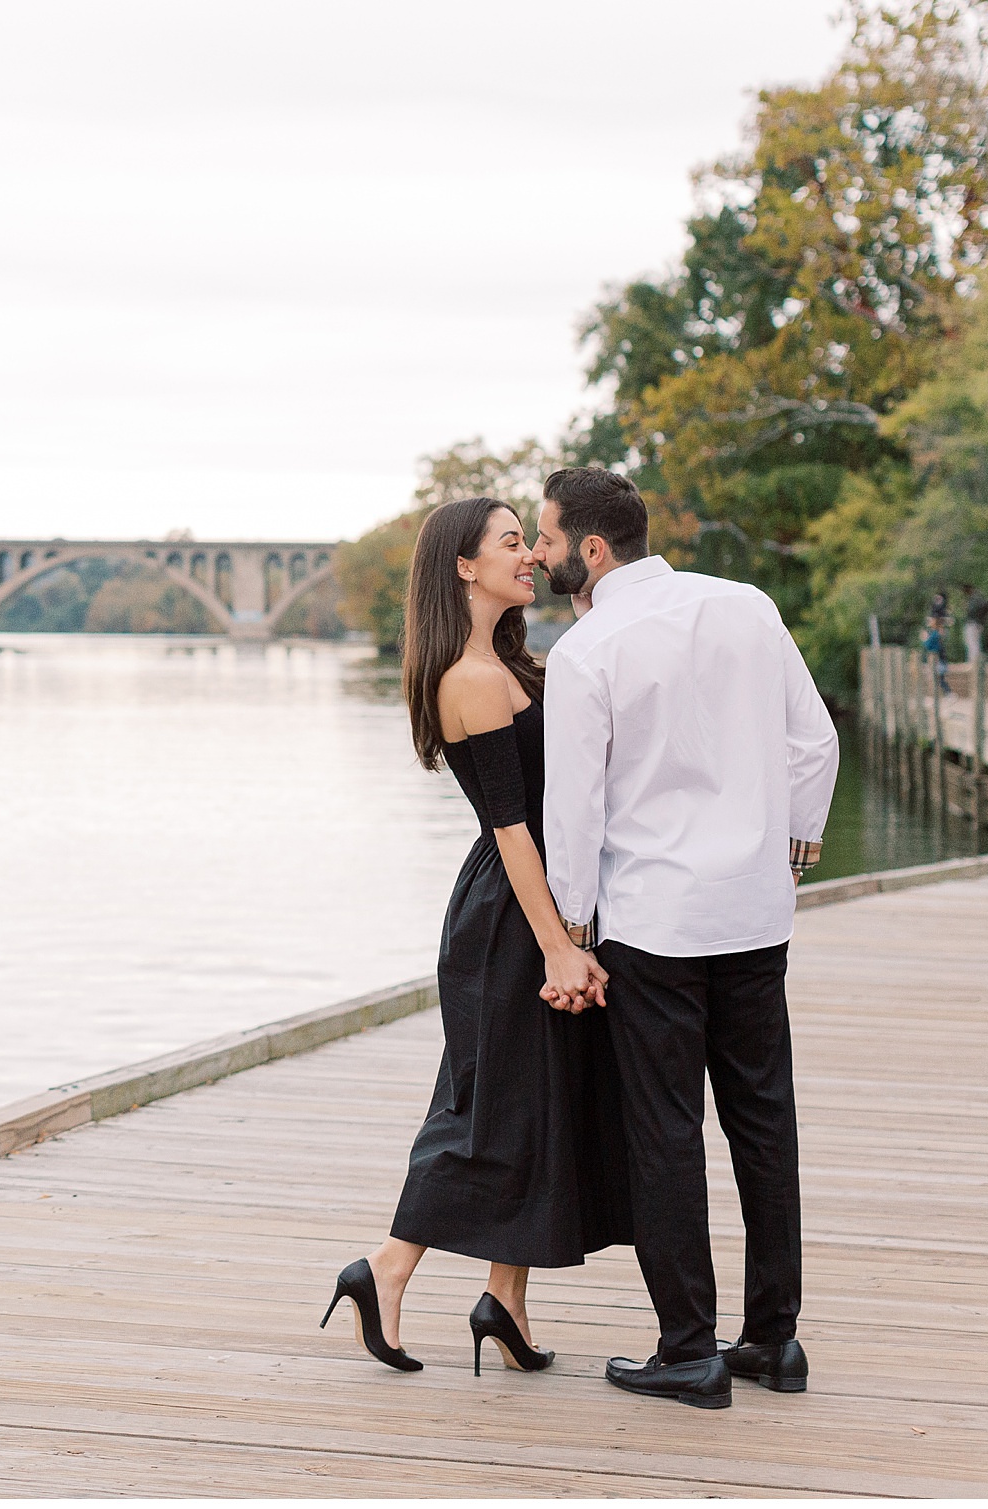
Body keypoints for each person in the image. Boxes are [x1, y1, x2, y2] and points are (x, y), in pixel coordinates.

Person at [533, 467, 840, 1410]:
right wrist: (791, 851)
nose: (539, 552)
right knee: (763, 1121)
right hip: (753, 913)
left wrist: (572, 930)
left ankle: (689, 1349)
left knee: (665, 1132)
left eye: (545, 537)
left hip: (656, 926)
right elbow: (813, 740)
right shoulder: (746, 605)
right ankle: (774, 1341)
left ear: (592, 549)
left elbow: (574, 812)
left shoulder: (588, 652)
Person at [323, 496, 632, 1377]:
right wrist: (559, 946)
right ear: (463, 565)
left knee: (535, 1102)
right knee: (487, 1103)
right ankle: (384, 1267)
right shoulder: (467, 680)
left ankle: (507, 1299)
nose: (529, 555)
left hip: (537, 903)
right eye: (510, 543)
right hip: (508, 916)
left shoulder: (515, 666)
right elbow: (511, 828)